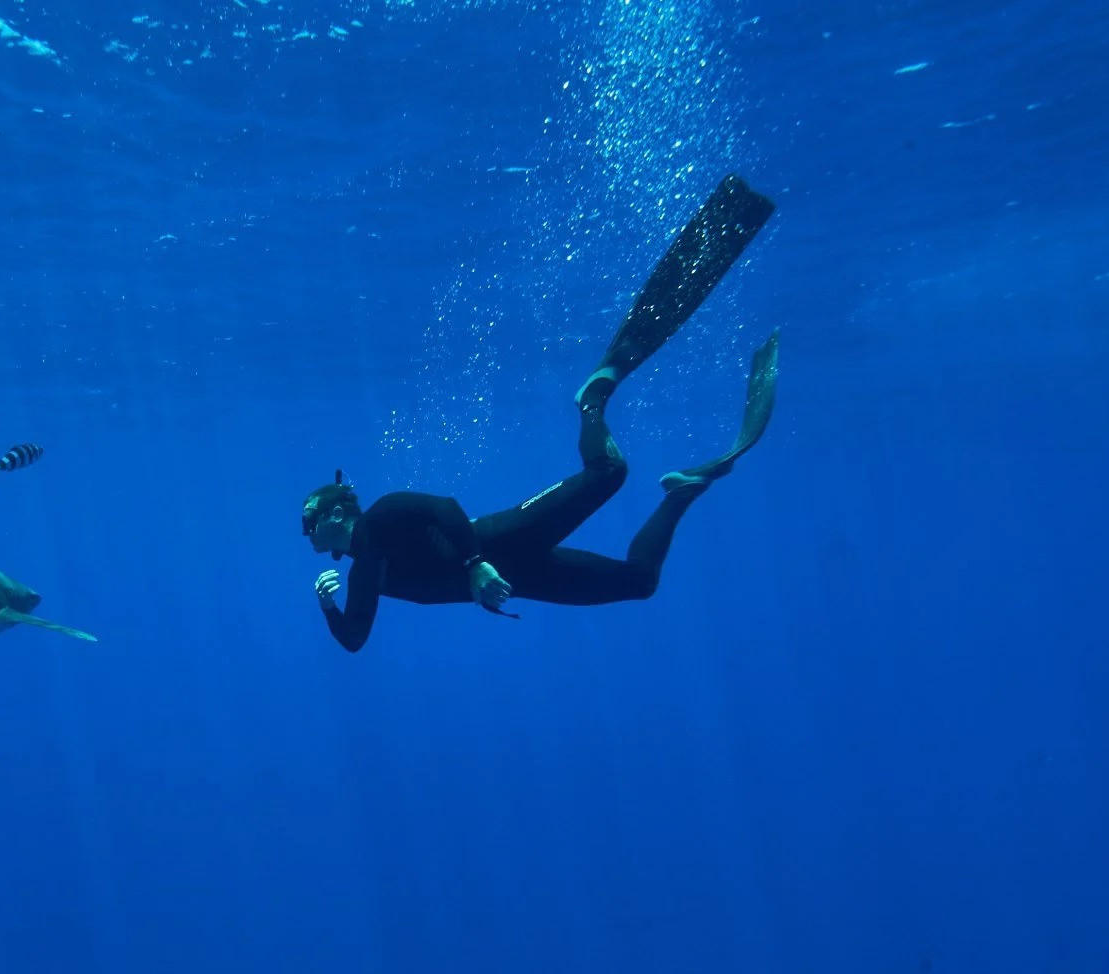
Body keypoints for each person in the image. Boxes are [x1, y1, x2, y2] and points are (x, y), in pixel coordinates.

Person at [304, 174, 780, 652]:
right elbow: (355, 638)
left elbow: (443, 508)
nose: (305, 530)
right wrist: (328, 608)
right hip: (519, 578)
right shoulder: (365, 570)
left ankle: (592, 397)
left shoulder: (382, 517)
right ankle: (678, 495)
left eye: (309, 518)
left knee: (610, 471)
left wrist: (474, 566)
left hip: (505, 542)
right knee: (639, 582)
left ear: (337, 511)